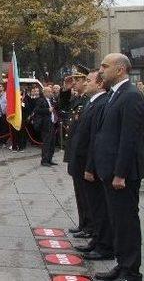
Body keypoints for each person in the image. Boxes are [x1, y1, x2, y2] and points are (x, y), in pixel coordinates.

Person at [91, 54, 144, 281]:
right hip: (109, 170)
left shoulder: (131, 96)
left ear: (120, 70)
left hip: (121, 173)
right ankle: (122, 265)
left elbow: (129, 138)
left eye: (105, 66)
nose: (101, 70)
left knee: (126, 221)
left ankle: (131, 270)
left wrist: (121, 173)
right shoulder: (116, 94)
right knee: (117, 221)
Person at [67, 70, 113, 261]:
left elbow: (95, 137)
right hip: (82, 160)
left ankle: (103, 244)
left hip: (90, 162)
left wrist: (89, 166)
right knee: (92, 205)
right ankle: (97, 240)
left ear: (100, 84)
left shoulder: (101, 103)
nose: (85, 83)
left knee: (99, 207)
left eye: (88, 80)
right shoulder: (90, 102)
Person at [60, 69, 93, 238]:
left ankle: (89, 226)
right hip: (75, 151)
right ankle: (83, 223)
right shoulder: (78, 99)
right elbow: (64, 107)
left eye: (77, 80)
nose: (75, 83)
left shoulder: (88, 100)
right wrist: (65, 89)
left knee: (85, 193)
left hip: (83, 153)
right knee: (79, 191)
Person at [34, 86, 58, 166]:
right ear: (45, 92)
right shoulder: (40, 100)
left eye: (51, 91)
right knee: (46, 143)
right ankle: (44, 160)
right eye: (49, 91)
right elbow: (37, 110)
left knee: (52, 142)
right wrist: (47, 110)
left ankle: (49, 159)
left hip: (52, 123)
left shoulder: (51, 100)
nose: (51, 93)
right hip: (45, 124)